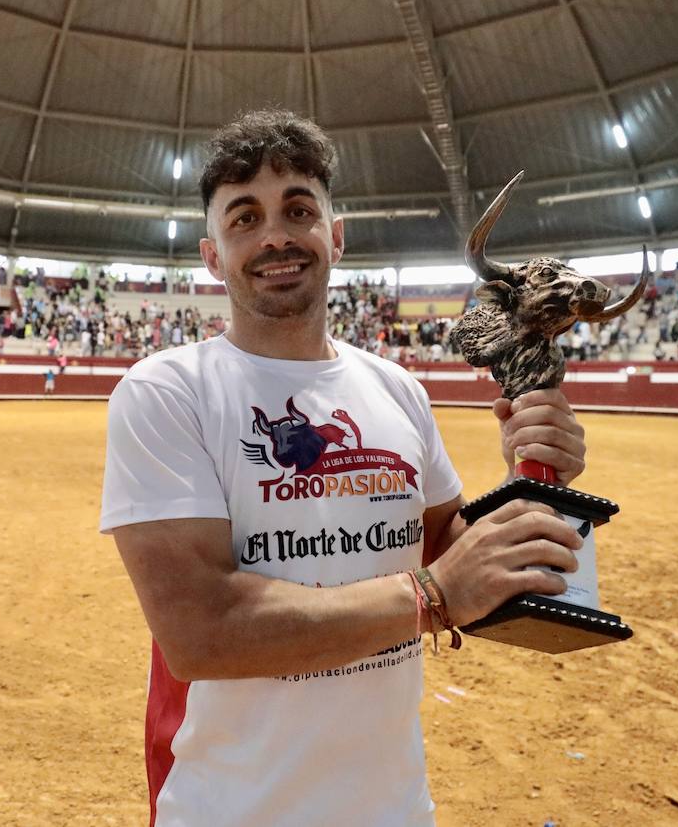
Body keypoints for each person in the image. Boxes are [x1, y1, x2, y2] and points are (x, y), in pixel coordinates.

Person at [99, 110, 588, 827]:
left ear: (336, 233)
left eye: (299, 209)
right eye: (245, 217)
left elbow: (455, 555)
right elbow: (202, 629)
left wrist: (536, 478)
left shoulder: (398, 391)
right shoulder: (166, 392)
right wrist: (431, 594)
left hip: (393, 808)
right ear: (211, 254)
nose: (275, 236)